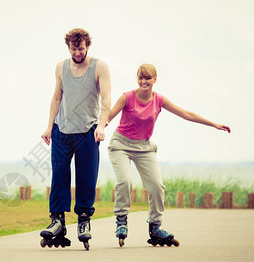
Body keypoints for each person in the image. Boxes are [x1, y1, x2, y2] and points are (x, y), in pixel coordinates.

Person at [107, 64, 230, 247]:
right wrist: (99, 128)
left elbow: (185, 113)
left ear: (155, 79)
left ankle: (155, 226)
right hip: (121, 145)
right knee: (125, 181)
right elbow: (107, 117)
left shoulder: (159, 100)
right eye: (141, 78)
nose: (144, 81)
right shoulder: (127, 97)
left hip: (144, 146)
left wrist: (213, 124)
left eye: (148, 78)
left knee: (157, 186)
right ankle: (122, 220)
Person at [39, 28, 111, 250]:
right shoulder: (61, 67)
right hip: (62, 131)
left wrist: (101, 125)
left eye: (81, 48)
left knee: (86, 178)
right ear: (68, 47)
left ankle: (83, 221)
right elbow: (56, 97)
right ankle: (57, 222)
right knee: (59, 177)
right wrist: (49, 127)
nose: (77, 52)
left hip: (88, 131)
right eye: (74, 48)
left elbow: (107, 98)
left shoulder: (99, 66)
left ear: (87, 46)